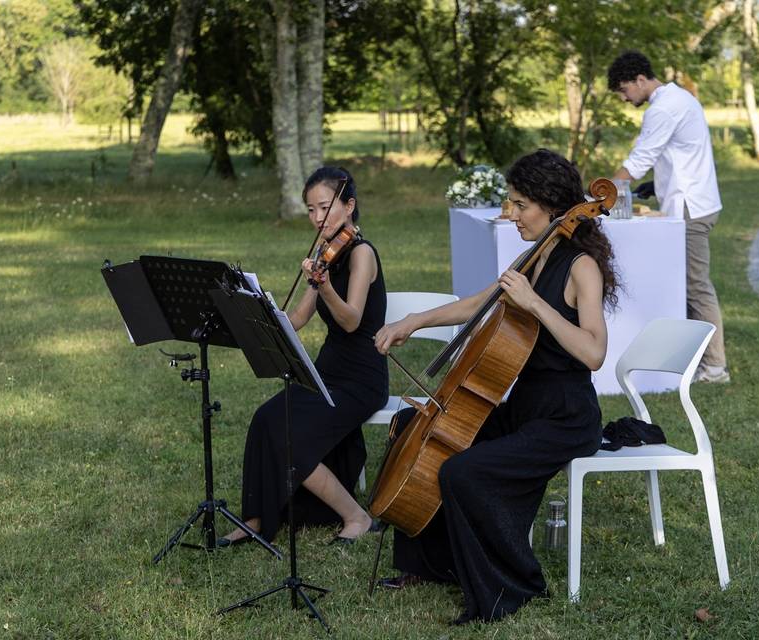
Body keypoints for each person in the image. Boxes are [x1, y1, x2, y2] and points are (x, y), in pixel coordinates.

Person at [372, 149, 617, 624]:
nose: (511, 214)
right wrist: (414, 321)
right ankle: (430, 565)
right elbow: (482, 302)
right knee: (413, 424)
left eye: (520, 204)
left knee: (464, 472)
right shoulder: (536, 254)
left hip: (565, 417)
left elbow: (594, 352)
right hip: (524, 407)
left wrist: (535, 305)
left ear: (552, 205)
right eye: (511, 203)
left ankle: (511, 586)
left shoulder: (580, 266)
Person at [218, 167, 388, 547]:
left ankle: (357, 517)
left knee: (289, 434)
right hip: (326, 370)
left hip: (362, 378)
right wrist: (255, 317)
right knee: (266, 418)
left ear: (349, 206)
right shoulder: (325, 254)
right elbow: (297, 318)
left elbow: (350, 320)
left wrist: (324, 286)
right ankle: (258, 518)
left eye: (324, 208)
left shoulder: (362, 255)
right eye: (310, 210)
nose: (316, 219)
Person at [608, 50, 729, 383]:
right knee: (686, 285)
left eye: (623, 90)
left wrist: (599, 195)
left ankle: (715, 367)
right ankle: (690, 357)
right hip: (693, 200)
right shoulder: (678, 98)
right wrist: (654, 185)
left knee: (695, 288)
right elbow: (676, 154)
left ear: (640, 80)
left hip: (690, 207)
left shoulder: (662, 108)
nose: (623, 97)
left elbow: (638, 159)